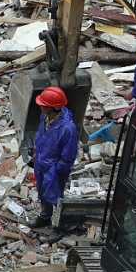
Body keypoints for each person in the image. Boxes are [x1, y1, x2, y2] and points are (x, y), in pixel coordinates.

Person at [28, 86, 78, 229]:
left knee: (57, 195)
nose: (40, 106)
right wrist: (37, 153)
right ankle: (45, 217)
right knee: (43, 192)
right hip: (42, 163)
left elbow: (68, 154)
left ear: (51, 107)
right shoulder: (44, 118)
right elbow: (41, 137)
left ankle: (62, 224)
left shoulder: (67, 128)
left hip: (55, 168)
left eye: (43, 104)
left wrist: (58, 170)